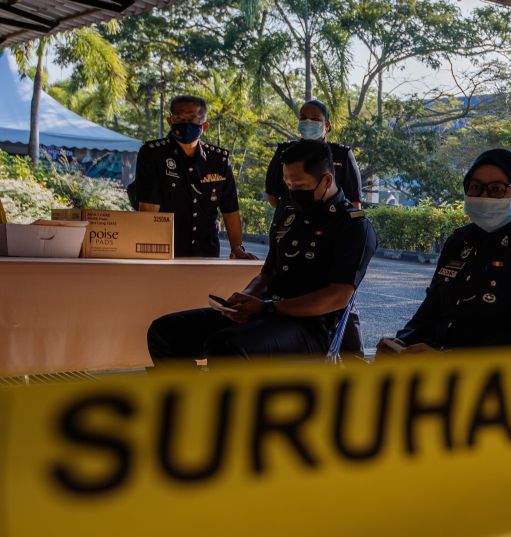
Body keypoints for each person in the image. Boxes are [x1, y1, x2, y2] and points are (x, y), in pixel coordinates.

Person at [338, 148, 511, 537]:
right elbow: (430, 313)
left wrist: (446, 359)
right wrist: (399, 343)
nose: (484, 198)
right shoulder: (459, 241)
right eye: (476, 188)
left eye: (497, 189)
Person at [147, 140, 376, 364]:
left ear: (326, 180)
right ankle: (193, 398)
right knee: (165, 331)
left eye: (299, 185)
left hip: (312, 328)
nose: (291, 191)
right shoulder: (289, 215)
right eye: (288, 184)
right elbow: (267, 274)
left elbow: (338, 296)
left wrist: (268, 307)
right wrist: (245, 298)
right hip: (268, 313)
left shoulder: (353, 225)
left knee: (226, 345)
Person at [133, 95, 255, 259]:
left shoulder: (218, 160)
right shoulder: (153, 154)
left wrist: (237, 249)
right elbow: (148, 209)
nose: (185, 123)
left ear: (204, 125)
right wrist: (145, 254)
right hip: (164, 253)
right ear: (170, 121)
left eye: (192, 118)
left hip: (207, 253)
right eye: (179, 118)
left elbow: (230, 210)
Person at [265, 100, 363, 210]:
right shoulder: (285, 152)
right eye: (303, 118)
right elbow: (271, 194)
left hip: (332, 223)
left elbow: (355, 201)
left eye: (315, 119)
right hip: (292, 224)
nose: (308, 122)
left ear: (326, 125)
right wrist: (287, 216)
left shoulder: (342, 154)